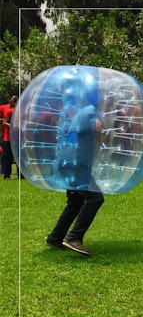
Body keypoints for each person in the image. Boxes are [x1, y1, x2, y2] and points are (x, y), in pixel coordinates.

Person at [45, 103, 105, 256]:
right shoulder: (92, 111)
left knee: (76, 201)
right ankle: (74, 237)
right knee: (95, 198)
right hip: (76, 164)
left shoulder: (83, 111)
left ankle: (55, 237)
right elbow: (97, 128)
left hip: (67, 162)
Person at [1, 95, 18, 179]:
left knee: (19, 156)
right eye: (13, 99)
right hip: (8, 138)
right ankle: (6, 174)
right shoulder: (9, 111)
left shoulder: (20, 110)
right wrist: (13, 126)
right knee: (8, 157)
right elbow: (4, 123)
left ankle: (21, 175)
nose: (14, 101)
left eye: (16, 100)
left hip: (18, 138)